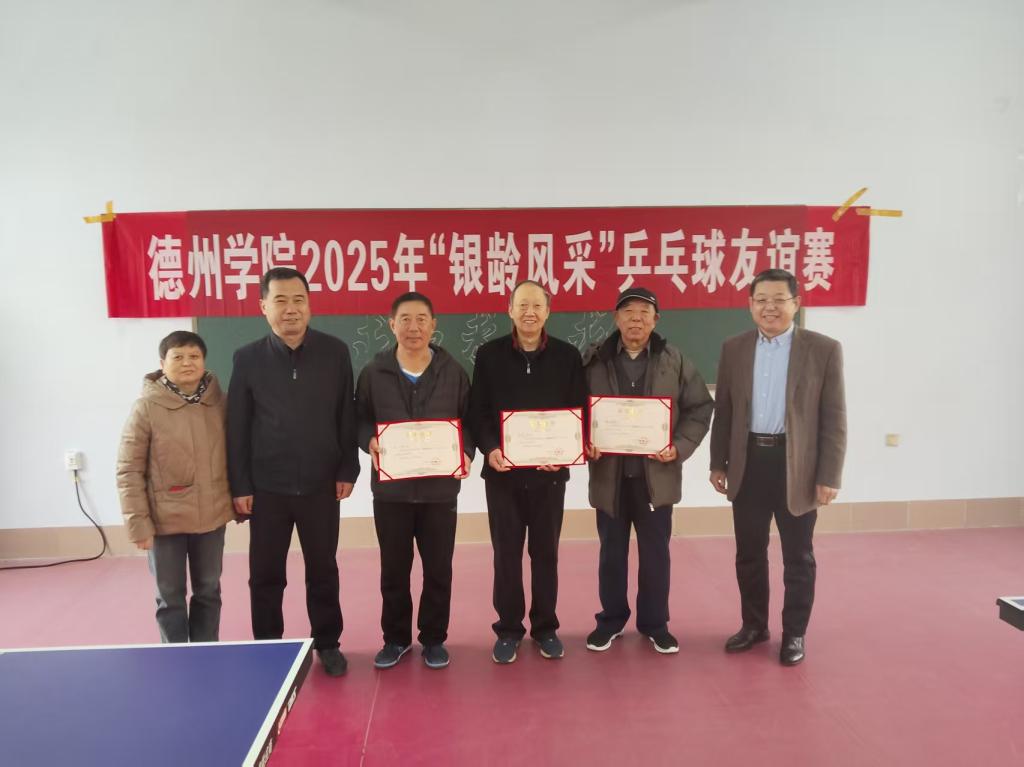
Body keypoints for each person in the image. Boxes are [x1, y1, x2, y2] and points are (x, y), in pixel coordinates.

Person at [709, 268, 847, 666]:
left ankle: (794, 633)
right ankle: (754, 625)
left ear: (796, 304)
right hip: (749, 463)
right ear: (750, 305)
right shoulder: (734, 348)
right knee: (749, 553)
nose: (769, 307)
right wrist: (718, 462)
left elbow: (834, 417)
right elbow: (725, 411)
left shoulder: (823, 349)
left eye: (778, 300)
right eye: (761, 300)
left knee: (798, 557)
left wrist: (829, 476)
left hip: (796, 466)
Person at [227, 267, 360, 677]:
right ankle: (269, 646)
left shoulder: (335, 352)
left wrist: (348, 468)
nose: (291, 309)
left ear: (309, 305)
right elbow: (237, 426)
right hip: (267, 488)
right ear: (263, 307)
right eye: (280, 300)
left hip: (322, 484)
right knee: (266, 574)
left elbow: (346, 415)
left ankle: (328, 643)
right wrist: (240, 484)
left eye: (299, 300)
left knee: (323, 569)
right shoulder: (247, 358)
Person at [583, 287, 713, 654]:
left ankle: (655, 624)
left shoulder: (675, 360)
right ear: (616, 318)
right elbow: (574, 408)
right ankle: (610, 621)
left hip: (657, 478)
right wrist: (584, 440)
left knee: (656, 555)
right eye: (628, 312)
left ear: (656, 320)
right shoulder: (594, 360)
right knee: (611, 554)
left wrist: (679, 447)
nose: (636, 319)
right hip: (610, 478)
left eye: (644, 312)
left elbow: (700, 407)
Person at [467, 280, 587, 664]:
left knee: (545, 554)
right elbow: (478, 411)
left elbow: (579, 410)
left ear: (548, 311)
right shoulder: (489, 355)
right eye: (522, 305)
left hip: (550, 476)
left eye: (537, 305)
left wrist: (565, 453)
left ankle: (545, 628)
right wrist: (491, 448)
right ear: (510, 310)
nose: (529, 312)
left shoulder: (568, 357)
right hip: (502, 475)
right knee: (506, 555)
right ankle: (508, 629)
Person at [356, 292, 474, 670]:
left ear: (433, 325)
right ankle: (395, 639)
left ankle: (434, 639)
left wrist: (466, 452)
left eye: (421, 319)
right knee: (394, 570)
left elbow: (469, 420)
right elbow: (359, 418)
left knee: (438, 570)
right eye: (405, 319)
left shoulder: (453, 372)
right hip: (391, 492)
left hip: (440, 491)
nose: (413, 327)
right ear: (391, 325)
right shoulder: (373, 372)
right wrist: (368, 440)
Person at [117, 330, 234, 643]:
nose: (187, 363)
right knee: (169, 597)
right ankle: (175, 656)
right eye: (178, 356)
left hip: (211, 518)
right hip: (164, 522)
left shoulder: (220, 403)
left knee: (209, 590)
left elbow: (238, 454)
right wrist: (138, 523)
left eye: (194, 356)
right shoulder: (146, 408)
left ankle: (206, 652)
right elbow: (128, 469)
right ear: (162, 363)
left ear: (204, 361)